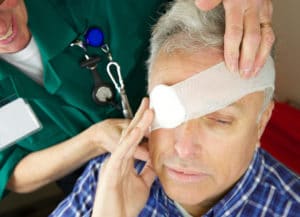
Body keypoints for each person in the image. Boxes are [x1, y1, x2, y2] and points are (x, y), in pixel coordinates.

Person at [0, 0, 274, 199]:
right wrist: (94, 141)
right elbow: (9, 173)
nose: (1, 27)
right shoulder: (90, 200)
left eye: (219, 119)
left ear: (262, 123)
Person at [50, 0, 299, 216]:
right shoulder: (108, 180)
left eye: (220, 120)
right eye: (168, 110)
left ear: (261, 123)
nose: (183, 148)